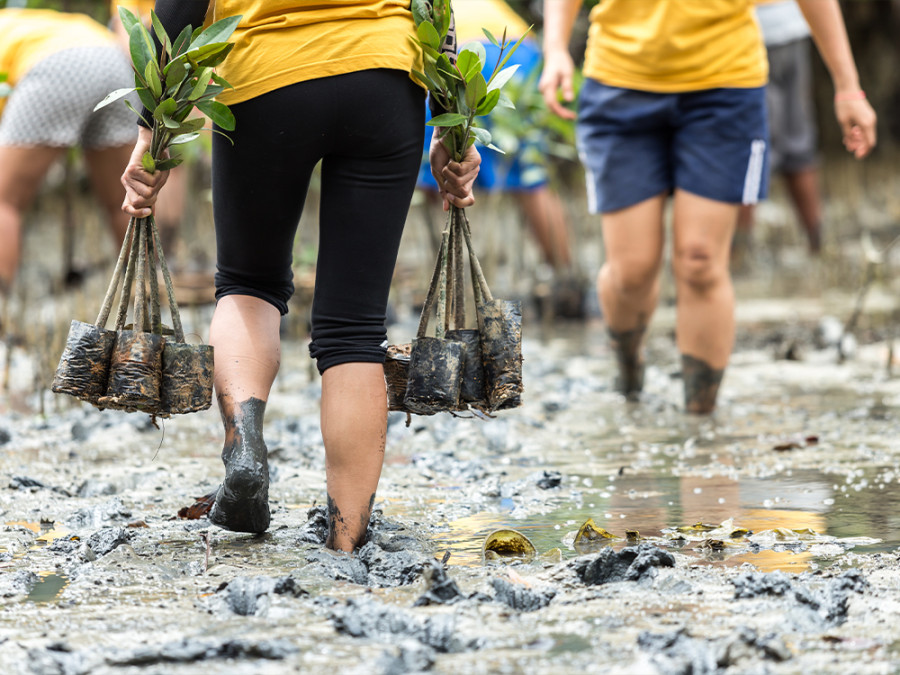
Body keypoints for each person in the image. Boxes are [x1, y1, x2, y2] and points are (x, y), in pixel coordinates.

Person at [121, 0, 480, 552]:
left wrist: (152, 132)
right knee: (355, 331)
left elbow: (181, 6)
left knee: (249, 283)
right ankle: (346, 542)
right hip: (383, 77)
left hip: (267, 80)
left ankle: (244, 448)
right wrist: (452, 124)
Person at [539, 0, 876, 414]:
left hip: (725, 87)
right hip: (620, 83)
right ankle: (629, 377)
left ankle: (701, 424)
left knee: (700, 261)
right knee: (632, 270)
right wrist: (554, 46)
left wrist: (847, 86)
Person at [417, 0, 582, 316]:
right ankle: (566, 282)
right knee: (531, 178)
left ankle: (450, 295)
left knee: (436, 171)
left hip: (458, 53)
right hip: (520, 52)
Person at [0, 8, 137, 298]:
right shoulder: (25, 22)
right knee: (125, 201)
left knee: (5, 202)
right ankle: (144, 295)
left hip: (57, 65)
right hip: (112, 60)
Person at [736, 0, 825, 255]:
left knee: (752, 149)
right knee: (798, 140)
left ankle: (737, 255)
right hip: (794, 24)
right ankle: (817, 247)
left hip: (752, 35)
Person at [109, 0, 190, 259]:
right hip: (152, 91)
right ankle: (158, 254)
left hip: (168, 90)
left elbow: (130, 43)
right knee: (158, 169)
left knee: (170, 168)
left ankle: (166, 250)